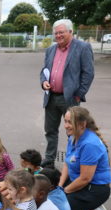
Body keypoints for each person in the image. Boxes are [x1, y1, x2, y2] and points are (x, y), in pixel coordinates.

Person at [40, 19, 94, 167]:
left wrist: (78, 94)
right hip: (51, 97)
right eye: (56, 33)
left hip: (70, 98)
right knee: (50, 131)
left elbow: (88, 74)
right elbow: (44, 71)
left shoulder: (82, 47)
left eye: (61, 32)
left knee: (74, 131)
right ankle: (49, 160)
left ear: (70, 32)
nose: (58, 35)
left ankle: (75, 160)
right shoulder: (51, 49)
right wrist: (44, 82)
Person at [59, 106, 111, 210]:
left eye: (70, 122)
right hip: (77, 182)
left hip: (94, 189)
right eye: (65, 121)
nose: (66, 126)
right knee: (48, 190)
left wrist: (63, 192)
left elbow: (85, 179)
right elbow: (67, 163)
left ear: (82, 124)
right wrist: (60, 186)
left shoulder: (89, 144)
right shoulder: (73, 136)